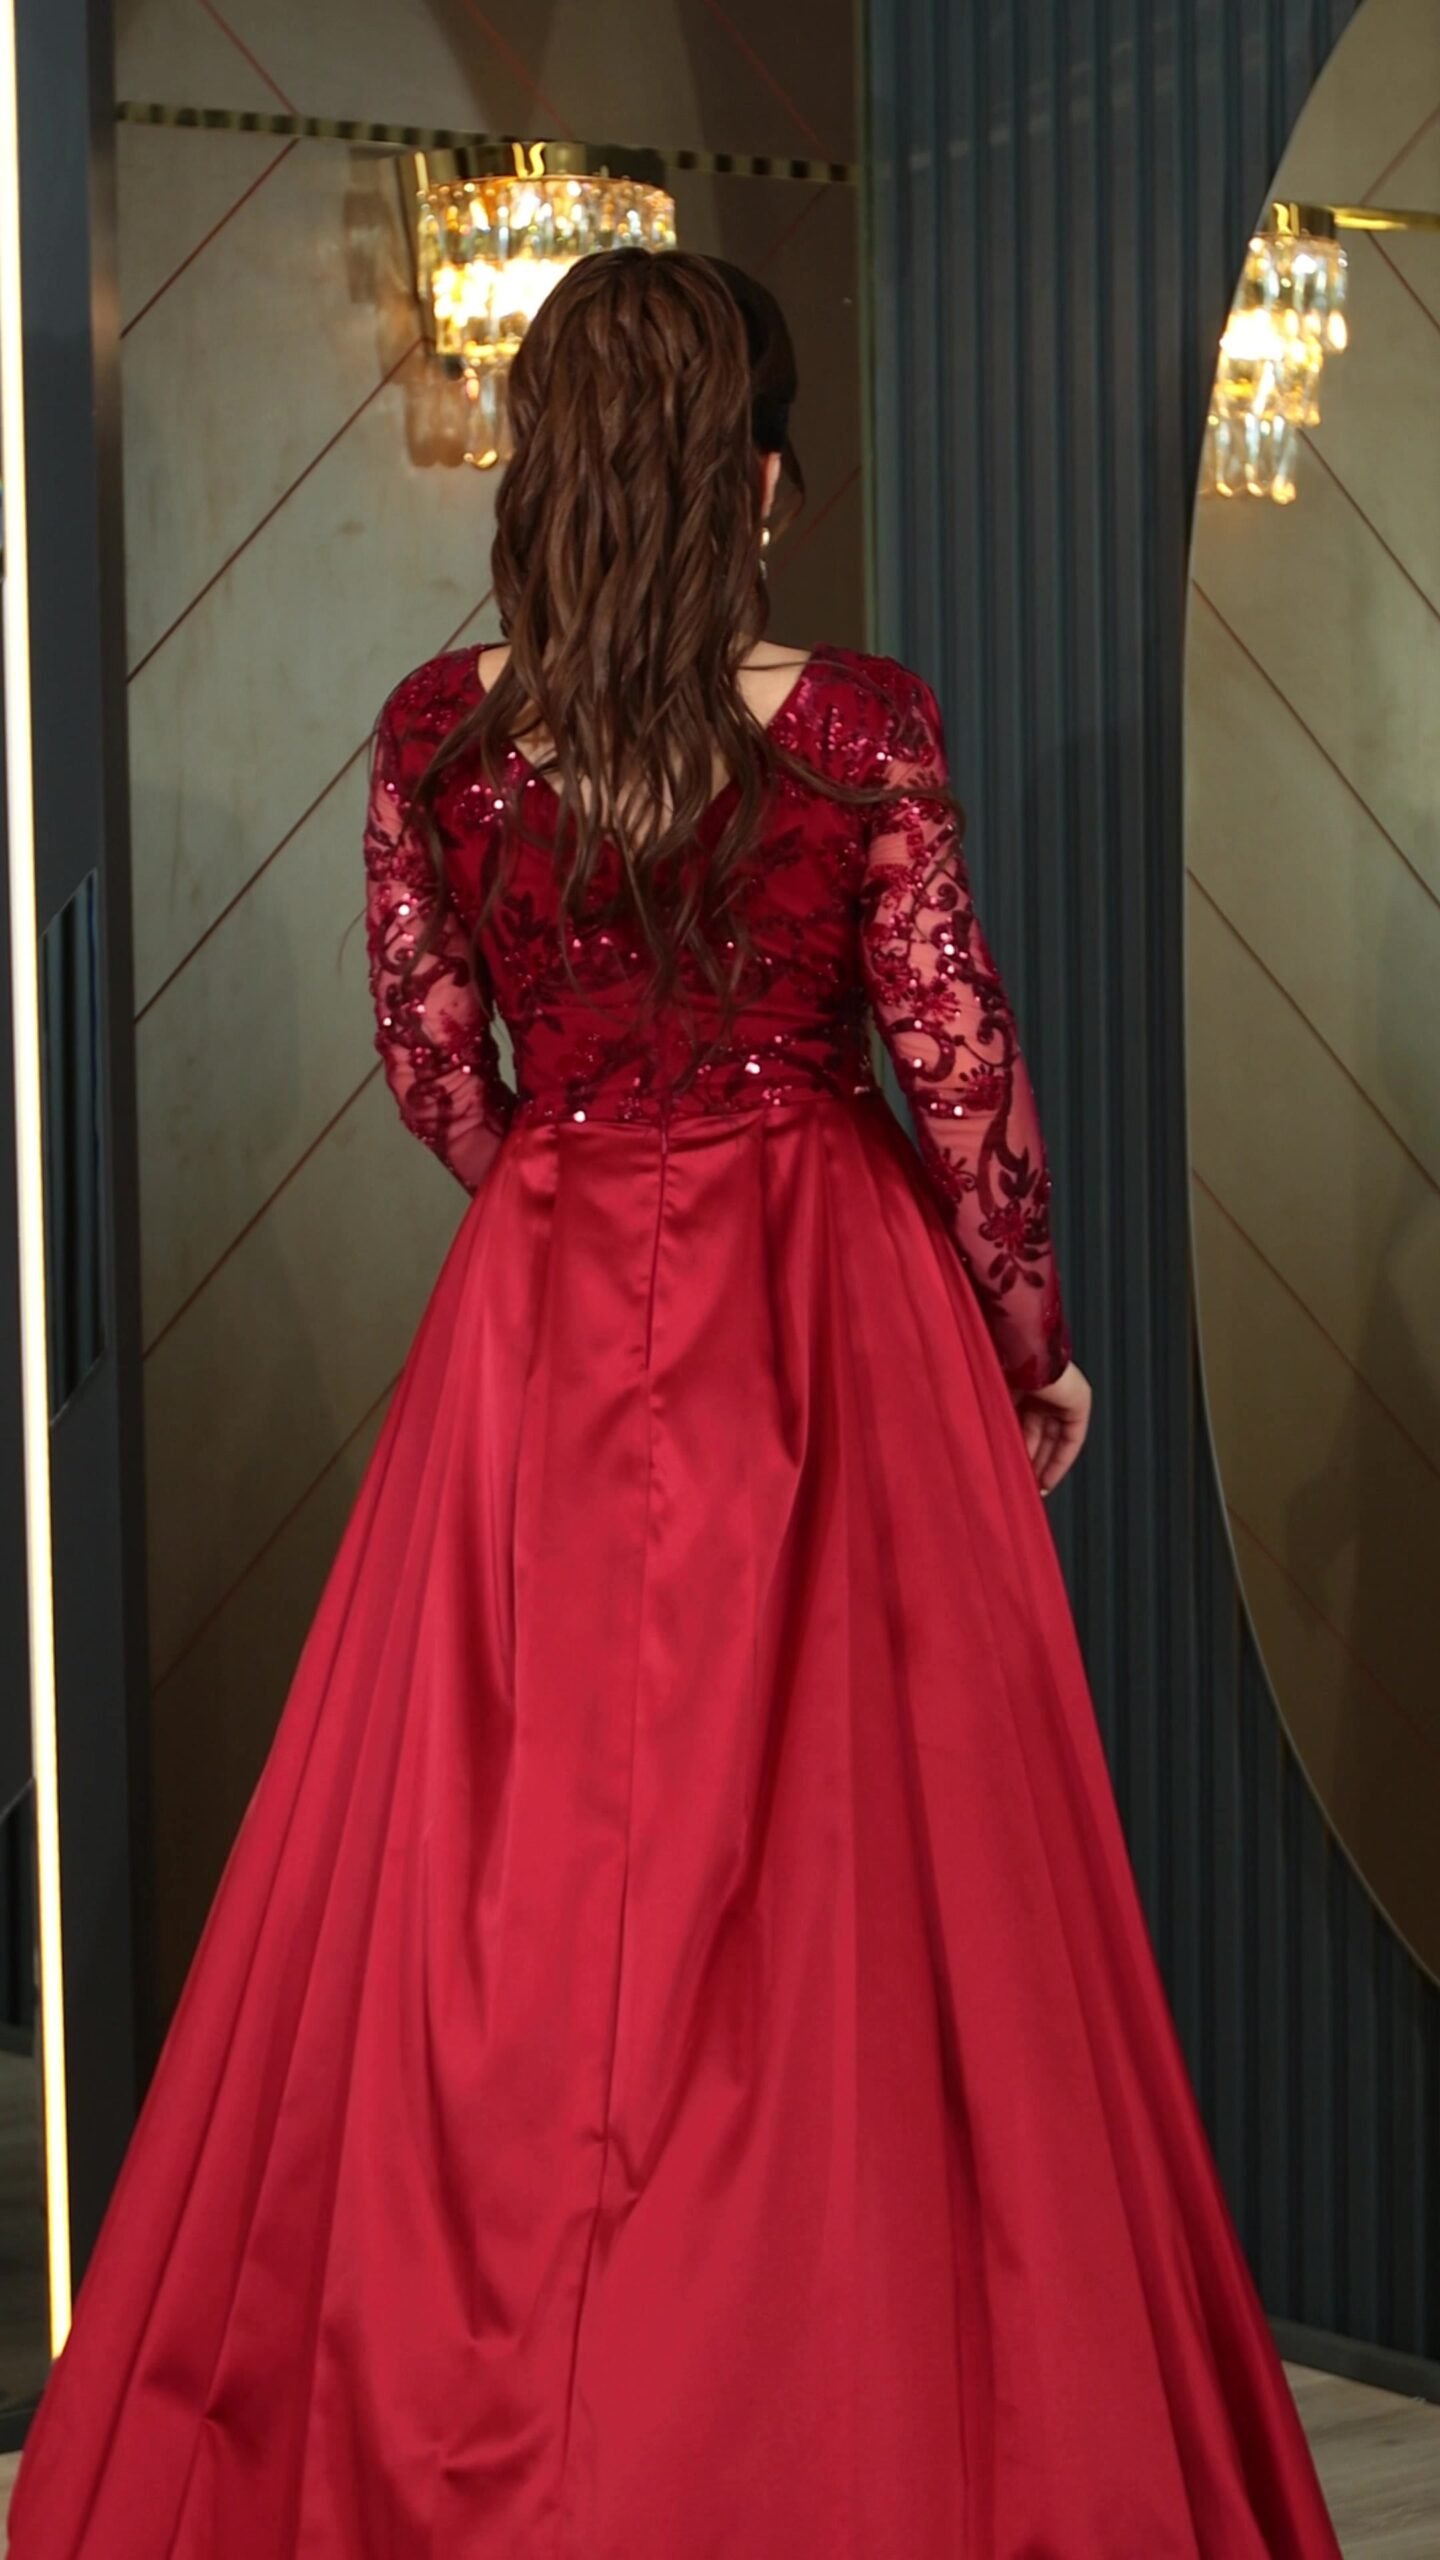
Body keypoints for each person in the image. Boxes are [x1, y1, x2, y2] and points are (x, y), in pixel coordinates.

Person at [8, 248, 1341, 2559]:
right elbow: (961, 1071)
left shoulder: (440, 736)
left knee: (500, 1890)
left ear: (541, 469)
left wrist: (567, 1183)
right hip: (822, 1319)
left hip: (538, 1324)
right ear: (763, 481)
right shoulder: (860, 726)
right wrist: (1028, 1341)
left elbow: (435, 1059)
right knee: (853, 1889)